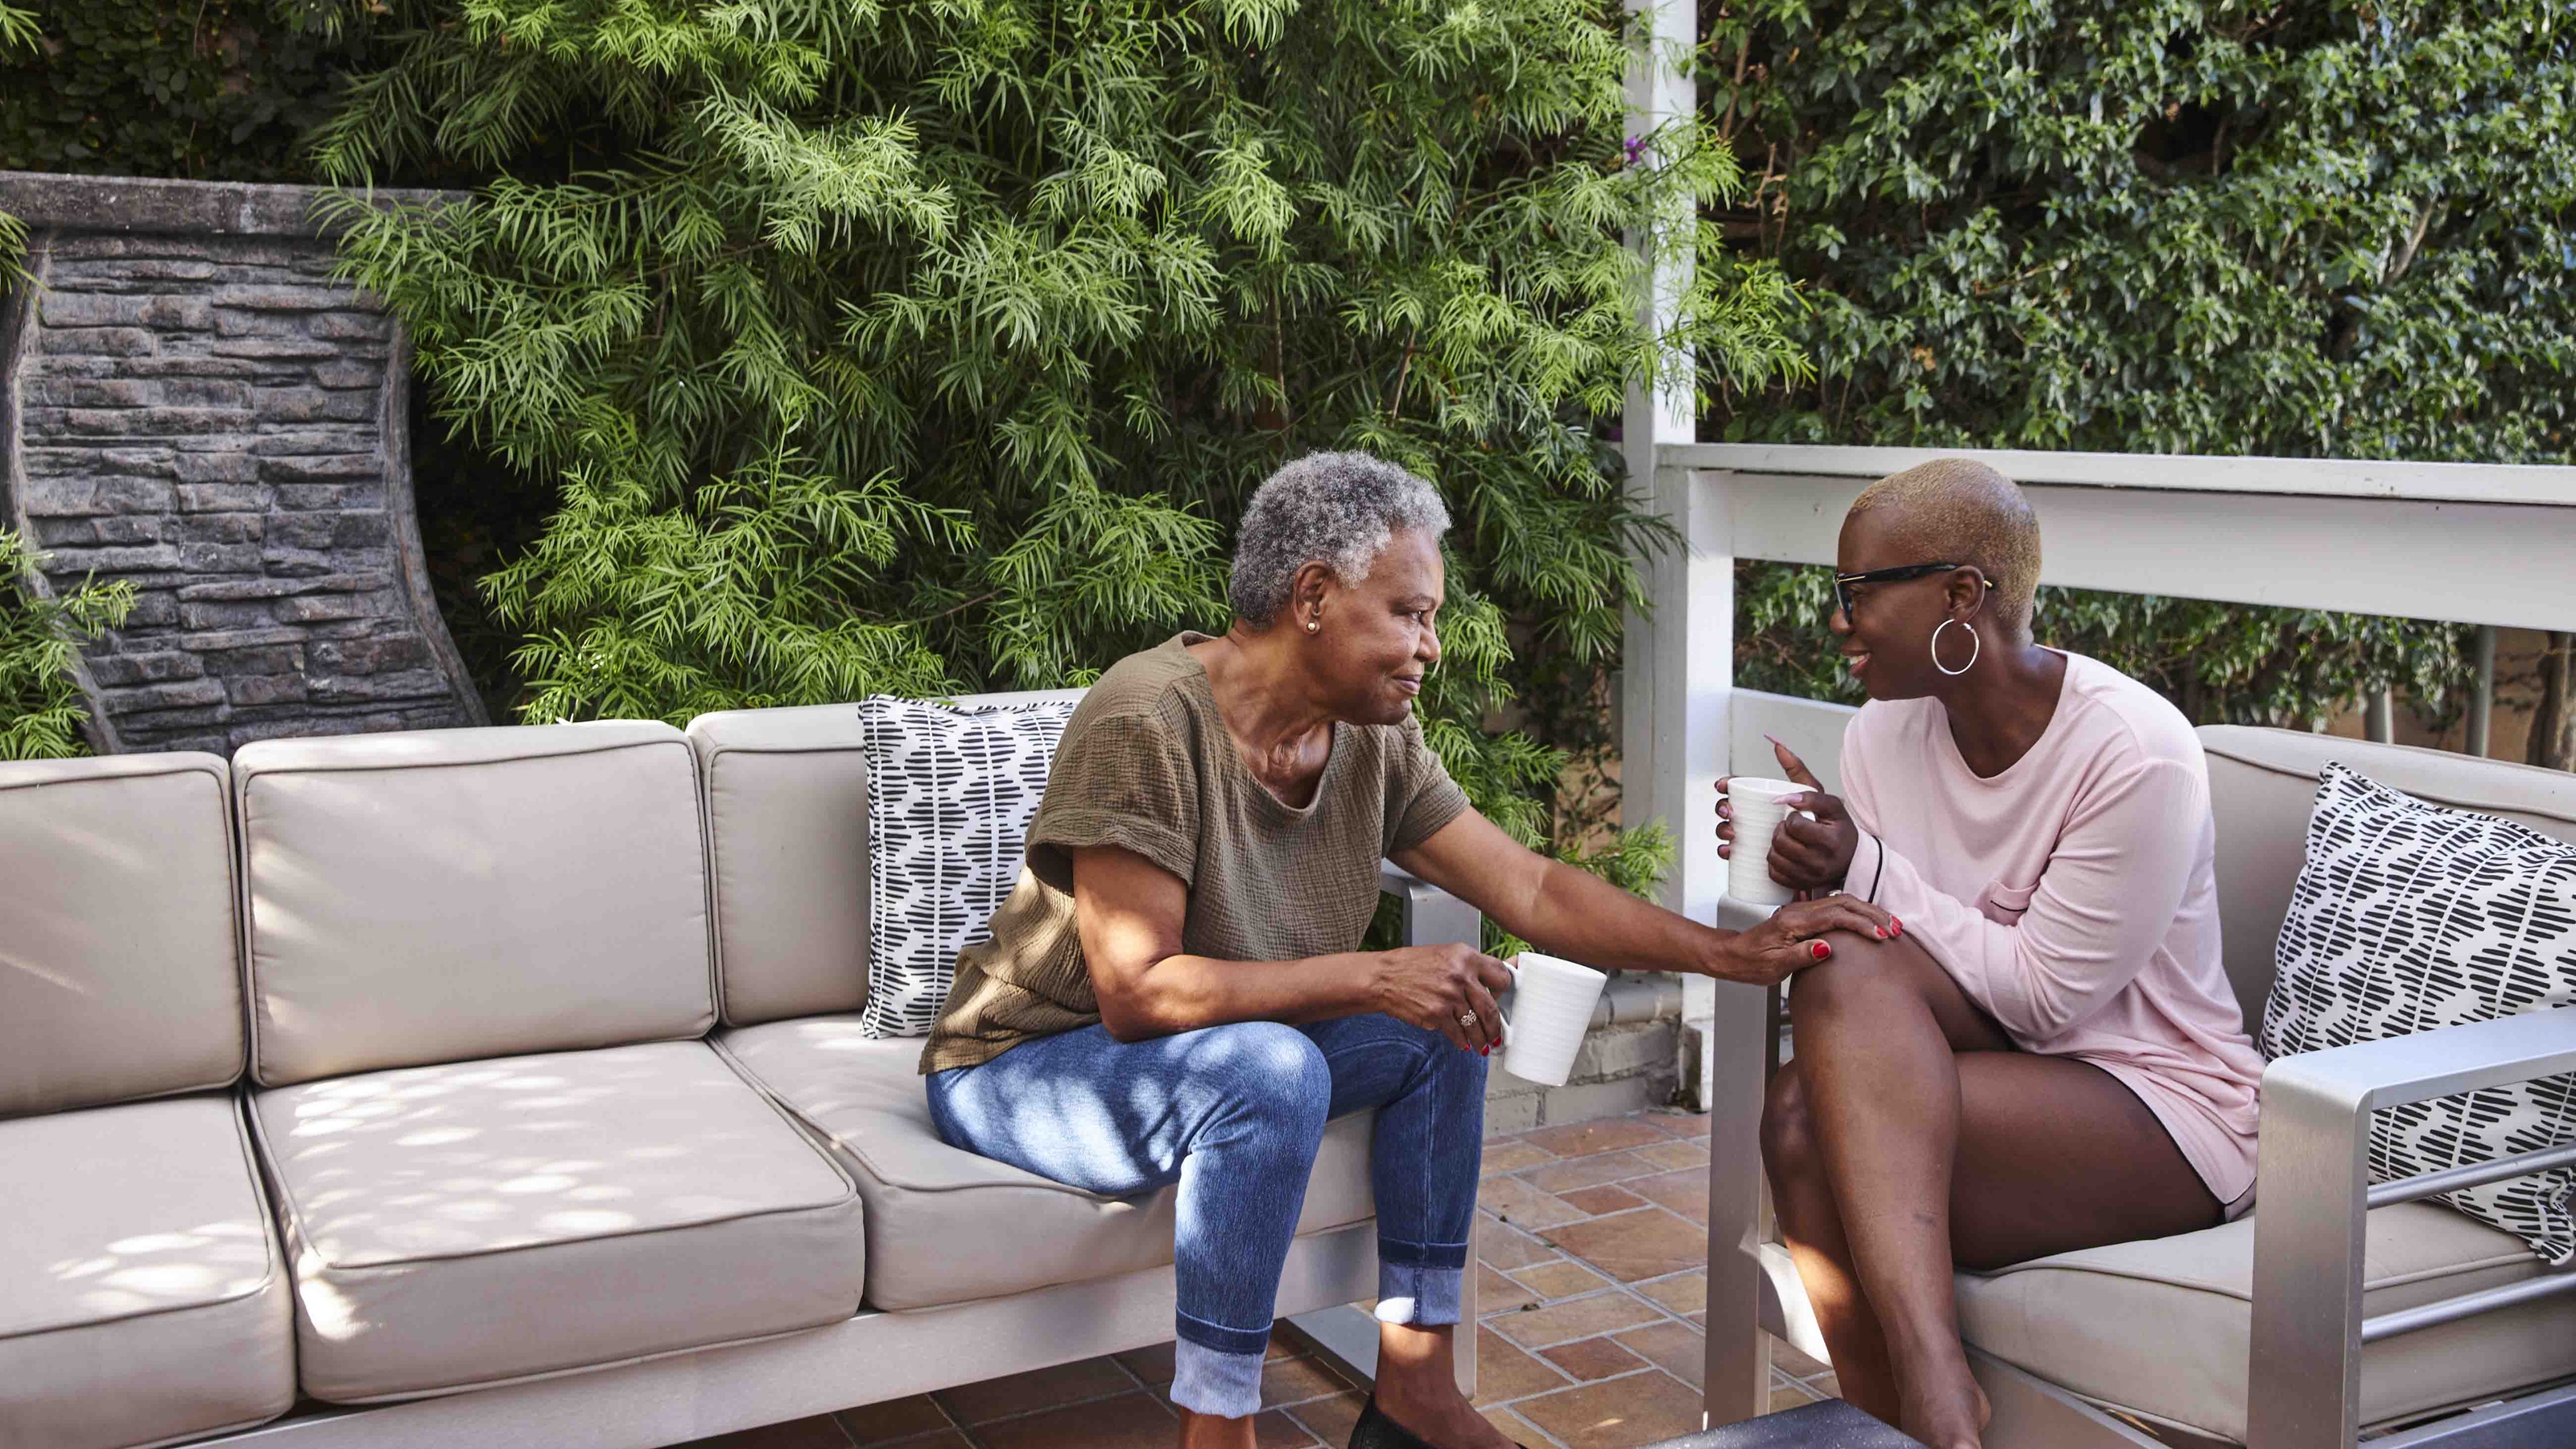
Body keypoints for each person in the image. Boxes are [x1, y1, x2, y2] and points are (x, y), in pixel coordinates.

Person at [921, 451, 1895, 1449]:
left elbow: (1529, 885)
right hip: (1030, 1064)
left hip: (1201, 1061)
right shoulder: (1148, 719)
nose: (1430, 647)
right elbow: (1136, 993)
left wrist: (1723, 953)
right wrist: (1374, 976)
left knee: (1445, 1026)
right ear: (1312, 596)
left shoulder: (1371, 736)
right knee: (1276, 1065)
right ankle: (1216, 1426)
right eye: (1410, 614)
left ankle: (1415, 1392)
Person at [1723, 458, 2265, 1449]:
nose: (1836, 620)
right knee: (1814, 1053)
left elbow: (2046, 1001)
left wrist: (1867, 870)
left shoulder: (2131, 750)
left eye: (1856, 594)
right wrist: (1817, 874)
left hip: (2159, 1102)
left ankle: (1925, 1398)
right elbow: (1902, 963)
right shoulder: (1882, 736)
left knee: (1811, 1104)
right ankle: (1923, 1416)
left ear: (1959, 596)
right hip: (1984, 1068)